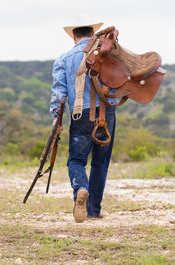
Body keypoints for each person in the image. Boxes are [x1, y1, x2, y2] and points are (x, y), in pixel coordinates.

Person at [49, 14, 117, 223]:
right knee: (100, 162)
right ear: (92, 34)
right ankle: (94, 209)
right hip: (107, 112)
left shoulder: (64, 58)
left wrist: (57, 119)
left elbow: (60, 94)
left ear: (73, 37)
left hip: (80, 114)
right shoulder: (108, 53)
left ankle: (80, 188)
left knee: (77, 160)